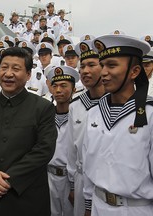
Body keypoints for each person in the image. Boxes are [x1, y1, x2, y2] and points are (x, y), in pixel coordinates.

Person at [0, 47, 57, 216]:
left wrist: (6, 181)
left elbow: (44, 149)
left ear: (29, 74)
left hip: (27, 199)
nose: (8, 74)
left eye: (16, 69)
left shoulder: (43, 108)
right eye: (4, 67)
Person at [83, 34, 153, 216]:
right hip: (99, 205)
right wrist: (89, 205)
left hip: (137, 209)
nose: (103, 72)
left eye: (111, 65)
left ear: (134, 72)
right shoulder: (94, 113)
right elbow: (88, 164)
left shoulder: (150, 113)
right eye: (102, 65)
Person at [66, 40, 105, 216]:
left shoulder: (117, 103)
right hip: (81, 179)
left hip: (106, 179)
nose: (85, 71)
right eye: (82, 66)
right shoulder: (75, 105)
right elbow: (71, 150)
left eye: (91, 65)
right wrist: (73, 185)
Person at [47, 66, 78, 216]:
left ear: (74, 89)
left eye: (64, 86)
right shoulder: (45, 117)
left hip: (70, 178)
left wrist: (74, 186)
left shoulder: (79, 116)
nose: (58, 90)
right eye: (55, 86)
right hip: (48, 176)